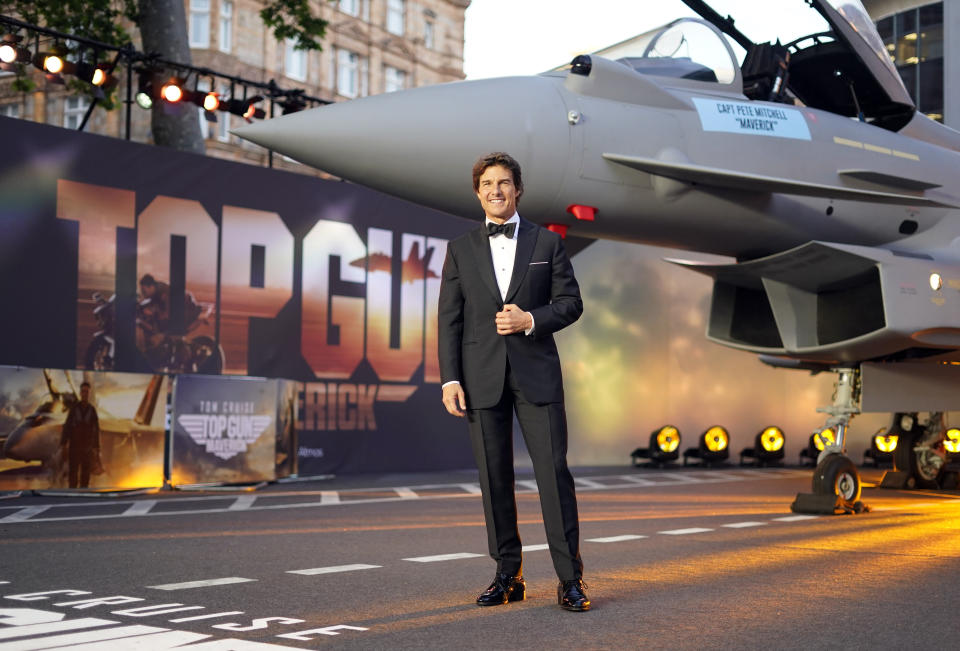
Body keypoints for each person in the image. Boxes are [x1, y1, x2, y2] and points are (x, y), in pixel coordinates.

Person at [438, 152, 589, 612]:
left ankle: (569, 579)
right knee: (493, 480)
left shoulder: (547, 243)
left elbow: (571, 303)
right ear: (477, 192)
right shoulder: (460, 248)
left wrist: (530, 319)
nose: (495, 191)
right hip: (481, 379)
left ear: (517, 189)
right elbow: (450, 320)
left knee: (553, 477)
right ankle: (508, 575)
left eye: (503, 183)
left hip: (536, 376)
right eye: (487, 184)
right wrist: (449, 380)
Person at [60, 381, 101, 489]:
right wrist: (64, 444)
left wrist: (96, 448)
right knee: (73, 475)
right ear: (80, 393)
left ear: (89, 393)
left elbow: (96, 430)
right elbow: (67, 426)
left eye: (87, 392)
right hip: (74, 447)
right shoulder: (74, 409)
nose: (85, 393)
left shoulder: (92, 411)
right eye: (83, 391)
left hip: (87, 449)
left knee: (85, 476)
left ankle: (84, 495)